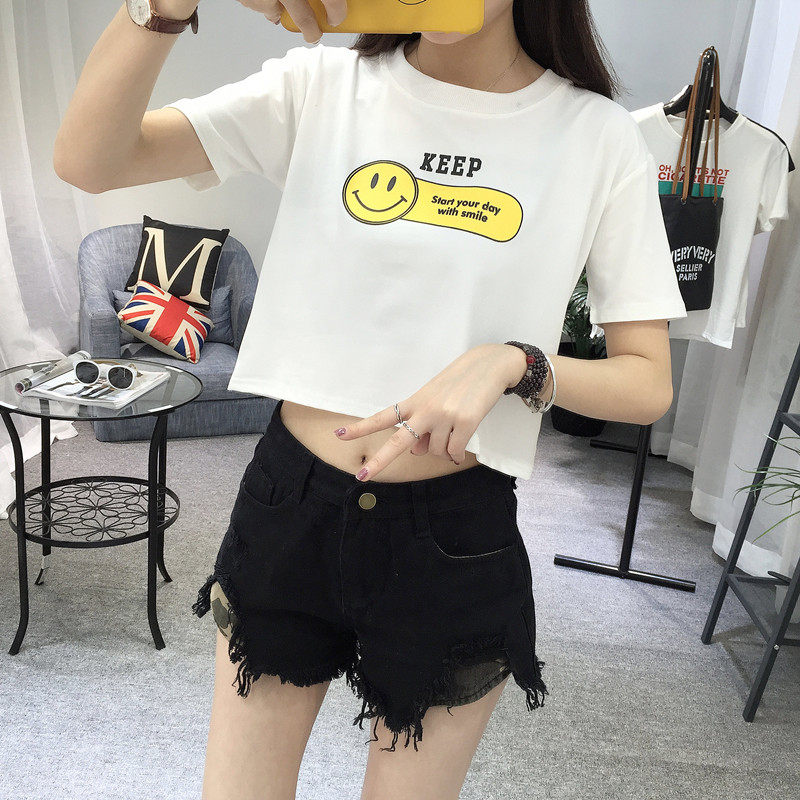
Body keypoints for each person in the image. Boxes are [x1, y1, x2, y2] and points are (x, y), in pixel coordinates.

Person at [54, 0, 688, 797]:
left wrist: (518, 363)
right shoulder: (321, 88)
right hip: (289, 509)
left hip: (453, 535)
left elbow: (646, 381)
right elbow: (89, 160)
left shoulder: (597, 136)